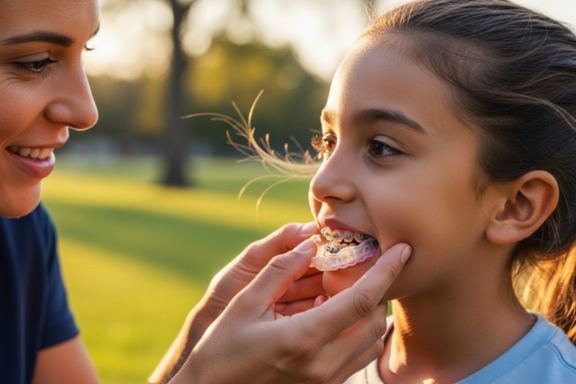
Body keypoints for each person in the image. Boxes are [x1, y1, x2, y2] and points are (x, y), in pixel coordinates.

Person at [0, 0, 411, 383]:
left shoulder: (24, 236)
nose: (87, 110)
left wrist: (198, 340)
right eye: (34, 63)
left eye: (85, 52)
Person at [181, 0, 576, 382]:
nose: (322, 184)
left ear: (515, 206)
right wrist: (194, 350)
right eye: (328, 142)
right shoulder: (291, 369)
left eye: (381, 148)